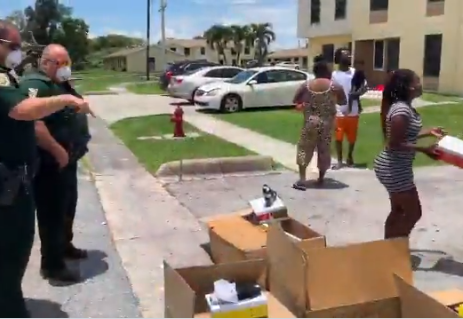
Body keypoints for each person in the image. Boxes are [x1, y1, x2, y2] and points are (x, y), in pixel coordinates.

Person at [0, 20, 92, 317]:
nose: (18, 52)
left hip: (42, 167)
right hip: (26, 175)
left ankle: (59, 251)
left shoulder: (27, 79)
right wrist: (56, 147)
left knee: (60, 213)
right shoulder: (31, 83)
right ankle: (14, 304)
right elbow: (27, 114)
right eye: (14, 46)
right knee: (14, 249)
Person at [19, 44, 92, 283]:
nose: (66, 69)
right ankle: (52, 266)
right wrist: (56, 150)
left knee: (67, 207)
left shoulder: (58, 84)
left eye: (68, 63)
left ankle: (64, 246)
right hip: (50, 163)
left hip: (67, 161)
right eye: (62, 64)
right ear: (47, 63)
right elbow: (34, 122)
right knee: (52, 213)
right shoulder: (36, 85)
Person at [374, 69, 444, 239]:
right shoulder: (401, 111)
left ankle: (388, 246)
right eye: (417, 81)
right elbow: (394, 143)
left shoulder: (403, 108)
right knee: (413, 213)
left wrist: (428, 132)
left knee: (398, 210)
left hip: (396, 167)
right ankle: (396, 249)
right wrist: (424, 150)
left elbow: (402, 135)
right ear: (408, 87)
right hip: (393, 168)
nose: (420, 84)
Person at [292, 57, 346, 190]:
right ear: (326, 71)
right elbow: (343, 102)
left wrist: (305, 104)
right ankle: (321, 178)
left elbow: (295, 100)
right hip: (327, 123)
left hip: (310, 121)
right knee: (324, 150)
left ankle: (302, 178)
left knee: (304, 149)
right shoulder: (334, 86)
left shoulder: (306, 85)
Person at [331, 47, 368, 169]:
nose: (349, 57)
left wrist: (357, 93)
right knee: (338, 137)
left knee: (352, 137)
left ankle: (350, 157)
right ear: (339, 58)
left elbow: (364, 87)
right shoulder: (334, 75)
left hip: (354, 111)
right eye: (345, 55)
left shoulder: (355, 73)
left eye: (349, 55)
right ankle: (340, 161)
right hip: (338, 111)